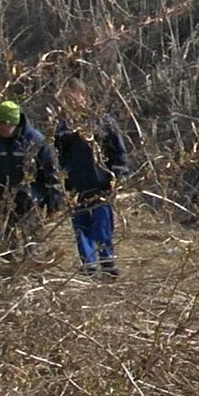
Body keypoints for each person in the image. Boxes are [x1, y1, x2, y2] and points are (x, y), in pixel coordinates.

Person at [51, 80, 131, 278]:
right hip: (75, 186)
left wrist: (118, 175)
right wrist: (62, 180)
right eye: (66, 97)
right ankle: (89, 266)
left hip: (101, 184)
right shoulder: (62, 127)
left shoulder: (103, 122)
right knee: (81, 227)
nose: (71, 100)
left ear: (84, 96)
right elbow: (59, 157)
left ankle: (107, 262)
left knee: (102, 225)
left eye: (74, 95)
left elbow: (118, 152)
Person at [0, 100, 60, 234]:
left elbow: (50, 174)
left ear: (16, 123)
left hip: (31, 201)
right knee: (4, 239)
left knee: (30, 239)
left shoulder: (35, 141)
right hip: (1, 200)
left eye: (7, 123)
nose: (2, 127)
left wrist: (53, 206)